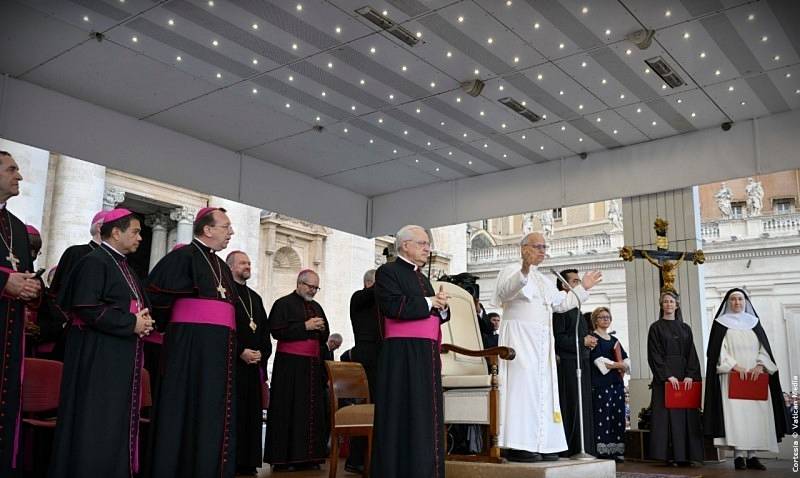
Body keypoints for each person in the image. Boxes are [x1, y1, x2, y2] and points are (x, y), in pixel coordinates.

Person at [49, 208, 154, 477]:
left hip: (119, 352)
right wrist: (131, 323)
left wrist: (143, 321)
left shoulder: (123, 265)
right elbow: (87, 307)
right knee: (96, 417)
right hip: (96, 354)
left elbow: (134, 305)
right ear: (116, 233)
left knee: (115, 418)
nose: (140, 238)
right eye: (135, 232)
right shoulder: (94, 262)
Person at [146, 207, 238, 478]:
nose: (231, 232)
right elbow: (157, 300)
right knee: (184, 408)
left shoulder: (221, 266)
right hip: (189, 349)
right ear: (207, 229)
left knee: (213, 409)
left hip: (220, 350)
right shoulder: (181, 257)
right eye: (226, 227)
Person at [495, 232, 602, 462]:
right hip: (519, 340)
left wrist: (583, 287)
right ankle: (518, 445)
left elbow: (561, 304)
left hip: (542, 343)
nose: (542, 251)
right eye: (538, 246)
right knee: (523, 389)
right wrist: (524, 269)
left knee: (544, 390)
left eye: (544, 247)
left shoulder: (543, 279)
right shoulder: (510, 269)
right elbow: (505, 292)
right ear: (524, 248)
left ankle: (542, 443)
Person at [371, 225, 449, 478]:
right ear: (405, 245)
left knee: (426, 414)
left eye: (428, 244)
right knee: (404, 414)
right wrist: (430, 303)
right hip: (402, 355)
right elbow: (393, 306)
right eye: (423, 243)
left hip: (426, 354)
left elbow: (433, 312)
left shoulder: (422, 277)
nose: (428, 249)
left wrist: (442, 307)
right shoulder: (387, 272)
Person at [703, 288, 787, 471]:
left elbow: (764, 348)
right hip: (732, 376)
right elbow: (718, 351)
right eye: (733, 299)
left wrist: (760, 365)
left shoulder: (754, 322)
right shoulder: (721, 324)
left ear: (745, 302)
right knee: (736, 417)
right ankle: (739, 456)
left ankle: (752, 456)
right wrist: (734, 366)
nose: (737, 302)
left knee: (756, 417)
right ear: (728, 302)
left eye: (740, 299)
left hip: (755, 377)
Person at [0, 151, 42, 475]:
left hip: (10, 334)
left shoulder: (15, 225)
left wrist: (31, 288)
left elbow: (24, 273)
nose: (20, 176)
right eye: (12, 169)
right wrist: (5, 282)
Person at [264, 269, 330, 472]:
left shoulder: (317, 307)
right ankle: (285, 460)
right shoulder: (283, 304)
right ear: (300, 283)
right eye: (310, 286)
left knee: (311, 412)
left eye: (316, 288)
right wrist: (305, 326)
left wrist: (321, 330)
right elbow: (276, 331)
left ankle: (310, 457)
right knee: (289, 410)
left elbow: (325, 336)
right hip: (290, 367)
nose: (313, 291)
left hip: (312, 368)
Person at [226, 251, 270, 477]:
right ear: (230, 267)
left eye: (249, 263)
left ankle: (248, 462)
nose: (248, 266)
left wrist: (262, 352)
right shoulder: (225, 295)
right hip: (232, 367)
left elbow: (263, 331)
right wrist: (240, 351)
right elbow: (225, 330)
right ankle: (231, 461)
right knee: (233, 413)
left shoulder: (255, 298)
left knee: (251, 416)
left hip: (253, 368)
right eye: (243, 263)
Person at [646, 291, 703, 466]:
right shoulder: (655, 328)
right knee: (666, 418)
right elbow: (654, 354)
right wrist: (667, 375)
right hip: (665, 380)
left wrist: (690, 375)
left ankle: (686, 456)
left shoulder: (685, 328)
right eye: (665, 301)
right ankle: (670, 456)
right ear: (661, 305)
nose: (668, 304)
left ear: (677, 305)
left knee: (686, 417)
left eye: (671, 301)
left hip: (684, 379)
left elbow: (691, 353)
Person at [553, 268, 596, 457]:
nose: (579, 284)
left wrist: (589, 341)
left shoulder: (576, 308)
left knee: (584, 405)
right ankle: (572, 448)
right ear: (564, 285)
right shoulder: (560, 309)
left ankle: (585, 447)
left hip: (582, 362)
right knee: (572, 405)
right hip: (569, 365)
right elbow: (559, 339)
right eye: (575, 281)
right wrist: (582, 341)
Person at [346, 270, 381, 474]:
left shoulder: (380, 301)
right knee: (367, 409)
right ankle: (356, 459)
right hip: (367, 360)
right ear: (370, 283)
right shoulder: (359, 297)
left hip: (381, 358)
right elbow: (372, 294)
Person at [588, 307, 629, 463]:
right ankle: (603, 451)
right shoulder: (593, 338)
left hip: (617, 383)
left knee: (617, 416)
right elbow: (599, 361)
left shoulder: (614, 340)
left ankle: (616, 450)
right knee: (602, 416)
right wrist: (619, 365)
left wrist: (622, 365)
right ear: (595, 320)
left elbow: (626, 359)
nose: (605, 319)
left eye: (608, 317)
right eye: (602, 317)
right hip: (601, 384)